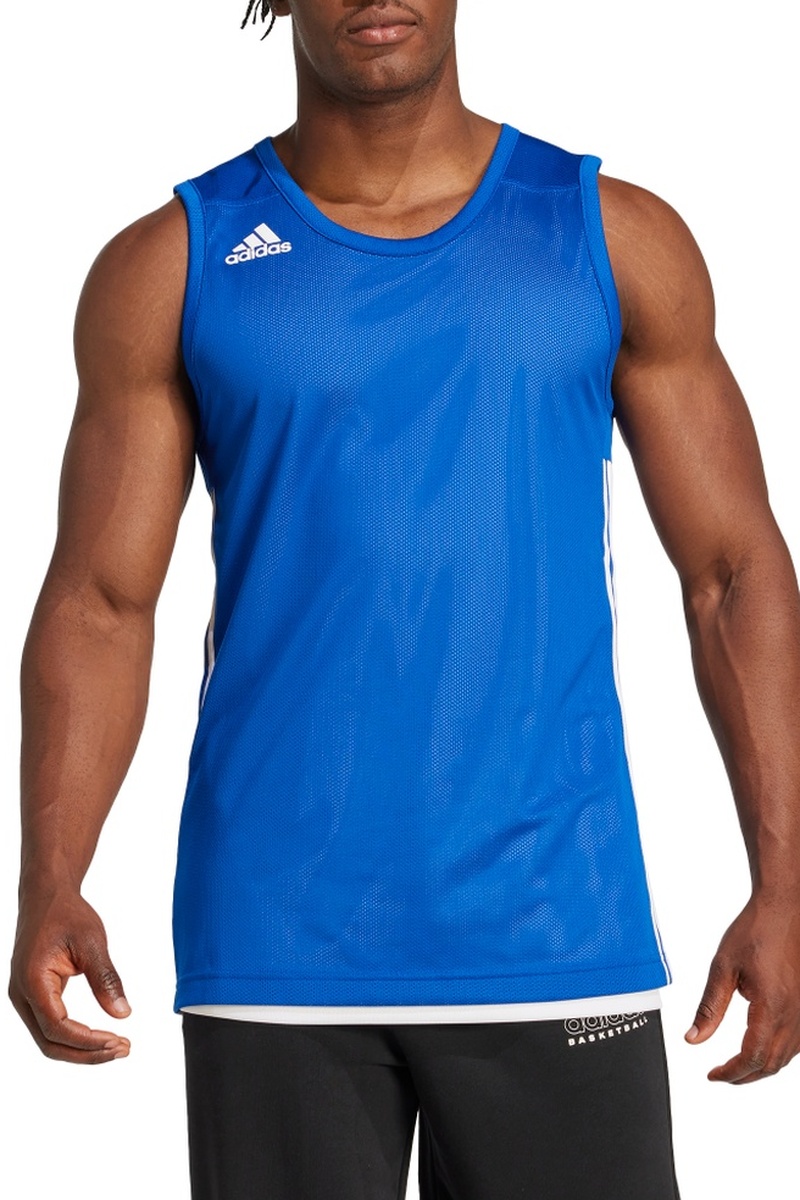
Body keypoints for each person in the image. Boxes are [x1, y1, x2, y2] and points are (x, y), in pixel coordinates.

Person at [9, 1, 800, 1197]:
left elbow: (732, 570)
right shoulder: (173, 264)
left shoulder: (608, 236)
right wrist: (50, 877)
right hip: (276, 948)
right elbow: (100, 604)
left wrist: (782, 882)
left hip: (554, 934)